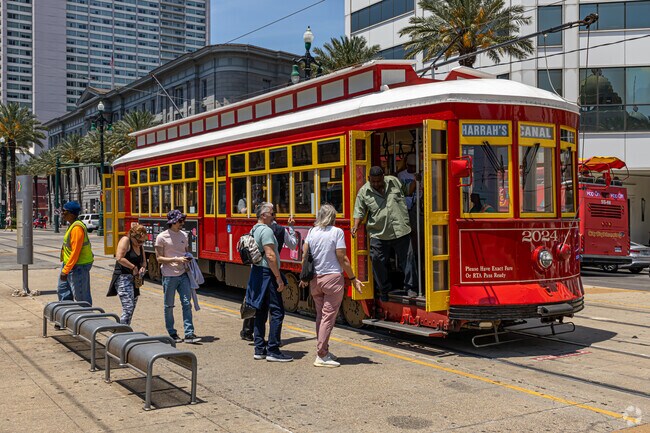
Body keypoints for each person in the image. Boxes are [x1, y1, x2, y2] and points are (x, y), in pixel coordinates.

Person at [299, 204, 363, 367]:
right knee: (328, 316)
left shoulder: (312, 232)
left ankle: (324, 349)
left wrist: (304, 276)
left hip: (315, 279)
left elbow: (304, 256)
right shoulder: (337, 232)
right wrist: (353, 278)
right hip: (332, 279)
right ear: (333, 218)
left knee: (321, 316)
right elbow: (343, 258)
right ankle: (321, 354)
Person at [352, 166, 417, 302]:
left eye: (378, 181)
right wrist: (355, 226)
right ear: (369, 179)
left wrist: (417, 181)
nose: (376, 184)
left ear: (383, 177)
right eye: (373, 181)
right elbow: (359, 211)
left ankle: (411, 288)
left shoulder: (394, 181)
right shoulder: (364, 192)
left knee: (408, 259)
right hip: (378, 233)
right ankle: (384, 290)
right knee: (376, 260)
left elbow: (406, 192)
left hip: (400, 229)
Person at [244, 202, 292, 362]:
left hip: (257, 272)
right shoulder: (266, 231)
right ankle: (273, 350)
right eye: (272, 213)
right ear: (264, 215)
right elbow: (270, 256)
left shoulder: (254, 229)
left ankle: (259, 349)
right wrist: (278, 277)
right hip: (268, 273)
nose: (274, 216)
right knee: (277, 311)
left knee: (260, 311)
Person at [155, 209, 200, 343]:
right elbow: (159, 258)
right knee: (169, 305)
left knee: (187, 304)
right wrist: (176, 260)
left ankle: (189, 333)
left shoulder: (184, 235)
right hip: (169, 275)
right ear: (173, 222)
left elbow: (186, 252)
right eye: (180, 221)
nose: (183, 223)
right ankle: (172, 332)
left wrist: (187, 259)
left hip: (184, 274)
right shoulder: (162, 237)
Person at [107, 224, 147, 325]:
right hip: (123, 277)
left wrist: (143, 267)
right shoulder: (126, 240)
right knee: (128, 307)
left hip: (135, 279)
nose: (140, 243)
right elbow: (119, 258)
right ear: (133, 236)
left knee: (132, 306)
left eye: (143, 241)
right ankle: (122, 332)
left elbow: (143, 261)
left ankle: (125, 327)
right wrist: (133, 267)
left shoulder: (140, 246)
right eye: (139, 241)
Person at [57, 201, 94, 304]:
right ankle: (68, 315)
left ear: (72, 214)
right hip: (69, 264)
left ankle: (85, 317)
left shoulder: (77, 228)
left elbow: (75, 252)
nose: (62, 213)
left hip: (78, 266)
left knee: (81, 297)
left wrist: (66, 270)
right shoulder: (72, 225)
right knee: (63, 291)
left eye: (64, 211)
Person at [397, 153, 423, 252]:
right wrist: (415, 181)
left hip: (417, 207)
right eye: (410, 166)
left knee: (418, 232)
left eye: (414, 167)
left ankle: (418, 251)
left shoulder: (422, 174)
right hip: (405, 206)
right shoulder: (401, 175)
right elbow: (407, 191)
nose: (412, 169)